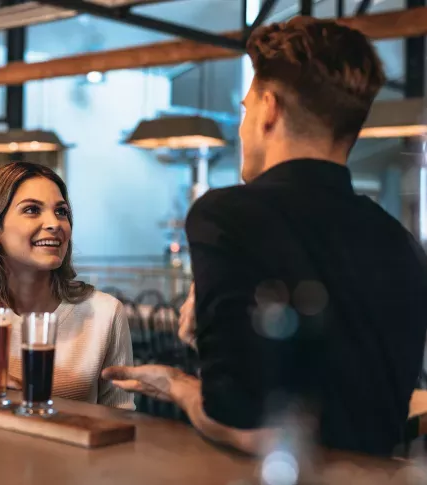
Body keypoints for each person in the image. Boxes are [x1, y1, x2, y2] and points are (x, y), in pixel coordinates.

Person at [102, 17, 427, 455]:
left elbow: (239, 420)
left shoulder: (227, 214)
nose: (241, 127)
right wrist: (218, 335)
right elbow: (357, 394)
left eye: (244, 109)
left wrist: (178, 384)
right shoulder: (399, 241)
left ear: (269, 109)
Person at [0, 162, 134, 408]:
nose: (54, 224)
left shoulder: (106, 313)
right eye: (32, 210)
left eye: (61, 212)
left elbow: (121, 416)